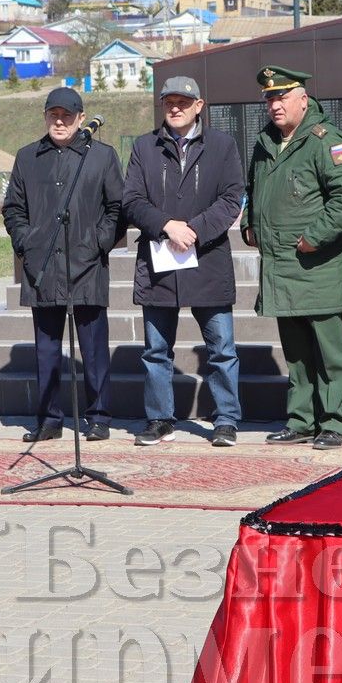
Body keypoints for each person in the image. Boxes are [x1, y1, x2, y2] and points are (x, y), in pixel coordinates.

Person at [242, 66, 342, 450]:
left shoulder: (325, 140)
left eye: (281, 97)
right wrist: (251, 224)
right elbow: (254, 190)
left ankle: (334, 423)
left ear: (303, 99)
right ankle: (301, 421)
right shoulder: (266, 142)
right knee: (296, 353)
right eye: (269, 98)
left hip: (315, 266)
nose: (274, 105)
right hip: (280, 267)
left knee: (329, 352)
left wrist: (314, 237)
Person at [123, 76, 244, 447]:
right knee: (156, 351)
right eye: (168, 102)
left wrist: (193, 230)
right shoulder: (144, 147)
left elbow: (231, 196)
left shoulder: (222, 146)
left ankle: (225, 419)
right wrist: (166, 226)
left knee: (221, 350)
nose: (175, 108)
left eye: (183, 101)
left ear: (199, 105)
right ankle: (160, 418)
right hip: (159, 264)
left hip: (206, 259)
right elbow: (131, 199)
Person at [1, 87, 125, 443]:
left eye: (67, 116)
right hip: (42, 267)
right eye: (53, 115)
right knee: (46, 349)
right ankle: (49, 419)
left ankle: (98, 416)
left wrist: (99, 243)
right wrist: (27, 242)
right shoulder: (27, 157)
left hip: (87, 265)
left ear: (81, 119)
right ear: (45, 117)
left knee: (94, 346)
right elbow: (14, 208)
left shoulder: (101, 156)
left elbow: (117, 208)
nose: (59, 121)